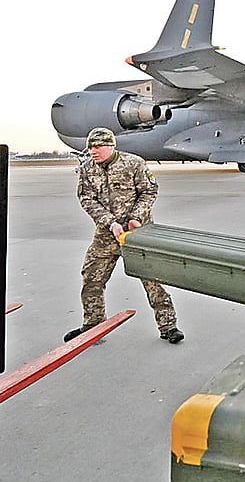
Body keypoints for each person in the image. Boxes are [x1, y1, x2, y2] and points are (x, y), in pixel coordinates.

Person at [64, 127, 185, 344]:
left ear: (112, 146)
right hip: (106, 235)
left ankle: (168, 326)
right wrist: (110, 223)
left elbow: (149, 191)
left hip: (138, 234)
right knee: (92, 277)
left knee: (153, 280)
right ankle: (93, 325)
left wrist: (136, 218)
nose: (93, 151)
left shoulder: (133, 163)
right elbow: (87, 199)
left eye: (98, 146)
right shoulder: (87, 169)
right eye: (91, 146)